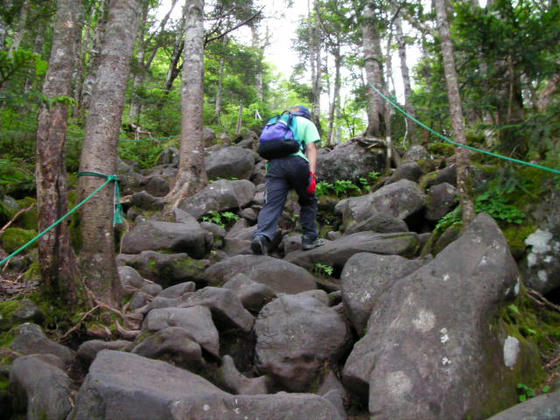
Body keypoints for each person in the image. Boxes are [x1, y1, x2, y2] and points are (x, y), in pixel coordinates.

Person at [251, 105, 326, 255]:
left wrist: (270, 170)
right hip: (296, 163)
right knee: (308, 199)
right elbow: (311, 148)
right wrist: (312, 174)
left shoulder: (276, 123)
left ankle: (262, 237)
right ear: (306, 116)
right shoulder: (306, 123)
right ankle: (310, 238)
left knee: (272, 204)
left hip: (274, 164)